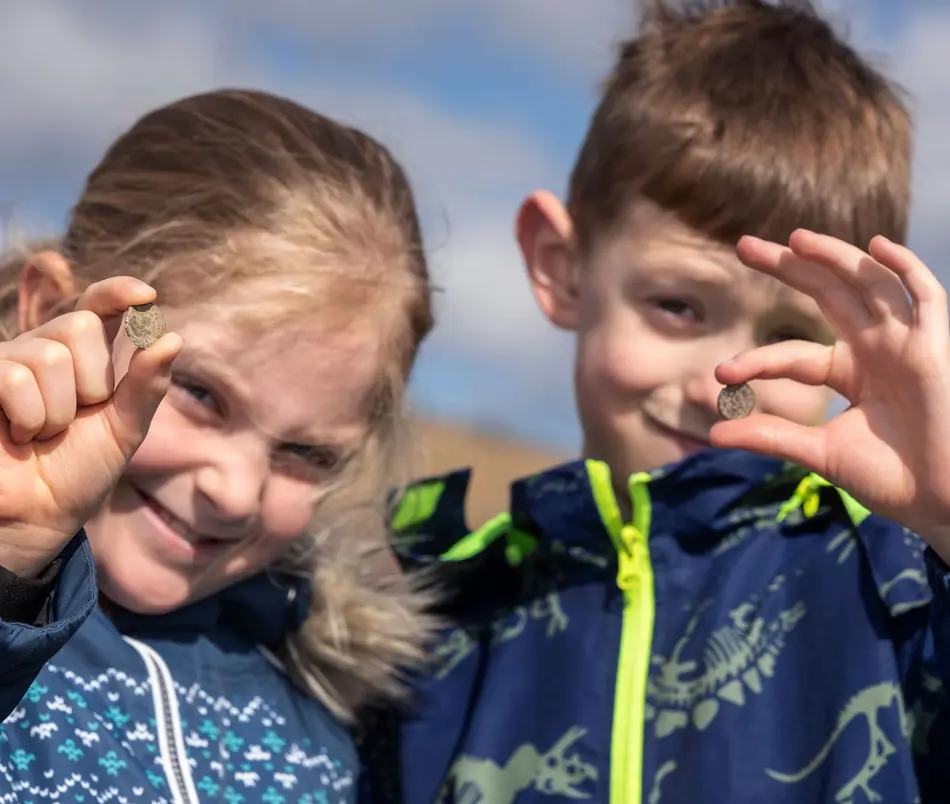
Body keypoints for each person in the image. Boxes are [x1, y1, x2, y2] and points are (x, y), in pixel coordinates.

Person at [371, 2, 950, 802]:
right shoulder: (440, 612)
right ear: (562, 267)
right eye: (678, 306)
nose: (728, 382)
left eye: (790, 332)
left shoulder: (905, 587)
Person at [0, 88, 437, 802]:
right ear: (54, 312)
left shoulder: (327, 727)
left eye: (307, 453)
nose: (236, 490)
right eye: (200, 394)